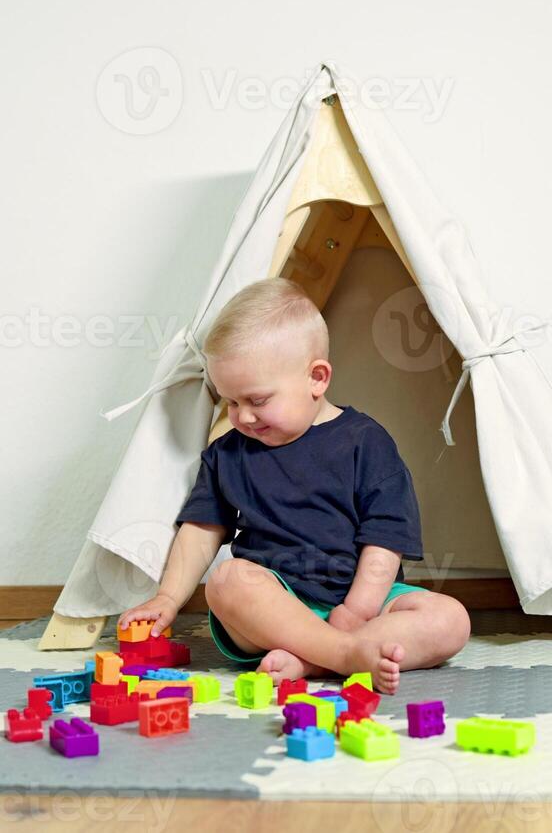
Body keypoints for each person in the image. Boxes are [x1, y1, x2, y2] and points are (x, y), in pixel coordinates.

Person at [118, 277, 471, 694]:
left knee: (451, 620)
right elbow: (200, 531)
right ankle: (342, 655)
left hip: (363, 599)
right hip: (274, 608)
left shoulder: (365, 443)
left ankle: (313, 660)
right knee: (227, 581)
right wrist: (168, 598)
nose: (243, 417)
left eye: (258, 400)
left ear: (316, 379)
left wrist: (358, 610)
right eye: (230, 401)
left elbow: (386, 538)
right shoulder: (226, 454)